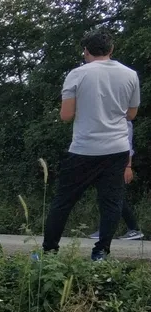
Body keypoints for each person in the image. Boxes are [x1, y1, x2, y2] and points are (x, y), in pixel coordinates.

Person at [41, 30, 141, 261]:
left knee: (63, 201)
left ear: (86, 51)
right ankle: (100, 253)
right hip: (117, 147)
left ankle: (49, 252)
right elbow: (131, 114)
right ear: (111, 50)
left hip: (84, 148)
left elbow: (66, 115)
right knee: (111, 201)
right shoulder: (130, 75)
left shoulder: (77, 75)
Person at [89, 120, 143, 240]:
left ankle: (133, 228)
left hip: (119, 163)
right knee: (107, 196)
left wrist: (128, 167)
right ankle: (108, 229)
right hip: (108, 161)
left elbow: (128, 145)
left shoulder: (124, 121)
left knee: (113, 196)